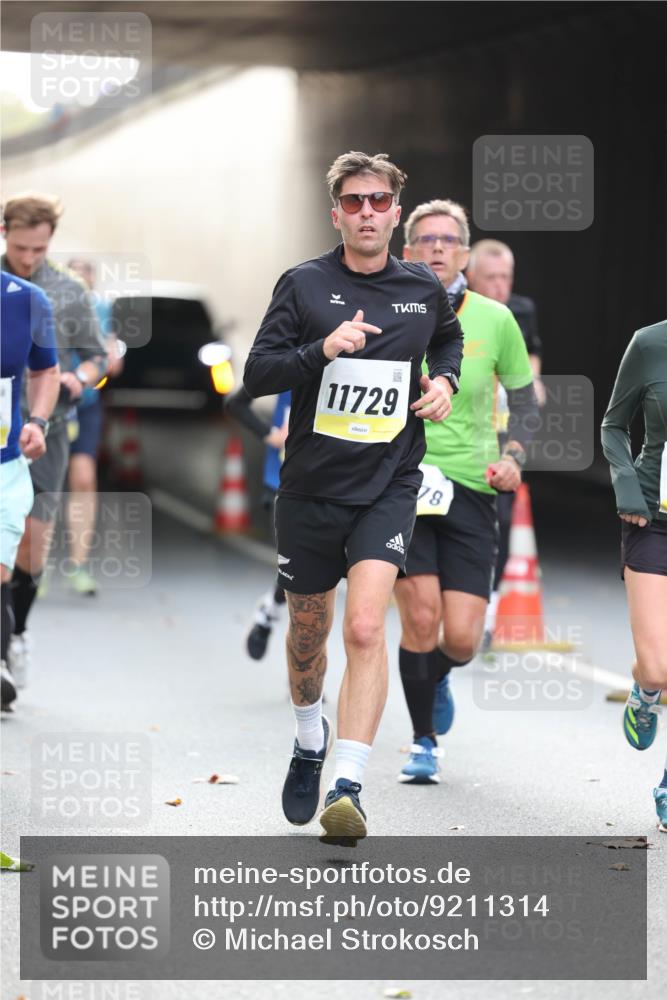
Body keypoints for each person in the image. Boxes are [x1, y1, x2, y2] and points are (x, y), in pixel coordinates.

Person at [244, 151, 463, 842]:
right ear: (335, 212)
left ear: (395, 213)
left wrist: (444, 383)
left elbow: (448, 341)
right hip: (310, 487)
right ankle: (310, 737)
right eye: (353, 202)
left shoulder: (421, 290)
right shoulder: (304, 285)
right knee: (307, 637)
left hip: (388, 485)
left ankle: (348, 784)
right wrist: (320, 352)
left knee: (366, 627)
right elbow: (255, 375)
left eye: (378, 201)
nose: (366, 212)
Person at [394, 200, 537, 782]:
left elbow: (525, 403)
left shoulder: (495, 320)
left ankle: (441, 674)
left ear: (464, 254)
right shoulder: (388, 309)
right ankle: (423, 739)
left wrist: (513, 457)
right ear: (408, 250)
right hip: (401, 484)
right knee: (421, 620)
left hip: (473, 486)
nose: (435, 248)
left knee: (459, 637)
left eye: (447, 240)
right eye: (425, 239)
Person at [1, 195, 107, 688]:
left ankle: (17, 632)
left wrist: (78, 379)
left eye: (38, 249)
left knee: (31, 545)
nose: (29, 258)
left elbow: (97, 357)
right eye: (21, 247)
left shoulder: (66, 292)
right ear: (5, 234)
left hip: (45, 432)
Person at [601, 319, 667, 833]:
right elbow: (614, 425)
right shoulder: (650, 343)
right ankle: (645, 692)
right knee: (660, 668)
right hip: (653, 519)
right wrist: (627, 487)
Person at [467, 238, 544, 648]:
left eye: (506, 277)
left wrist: (531, 380)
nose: (500, 286)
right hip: (460, 429)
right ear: (471, 275)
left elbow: (532, 353)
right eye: (491, 277)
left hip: (501, 430)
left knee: (501, 516)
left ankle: (490, 610)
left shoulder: (521, 310)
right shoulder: (454, 309)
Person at [1, 271, 59, 709]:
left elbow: (45, 369)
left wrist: (37, 422)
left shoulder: (28, 300)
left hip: (5, 463)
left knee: (3, 568)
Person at [65, 258, 124, 596]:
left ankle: (78, 564)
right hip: (50, 404)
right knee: (41, 484)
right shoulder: (48, 304)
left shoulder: (102, 310)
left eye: (86, 278)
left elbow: (113, 362)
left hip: (85, 405)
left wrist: (105, 362)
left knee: (83, 479)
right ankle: (32, 565)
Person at [225, 387, 290, 659]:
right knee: (305, 583)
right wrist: (271, 435)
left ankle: (269, 610)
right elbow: (236, 403)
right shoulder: (295, 354)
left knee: (316, 582)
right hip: (285, 484)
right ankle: (306, 685)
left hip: (341, 485)